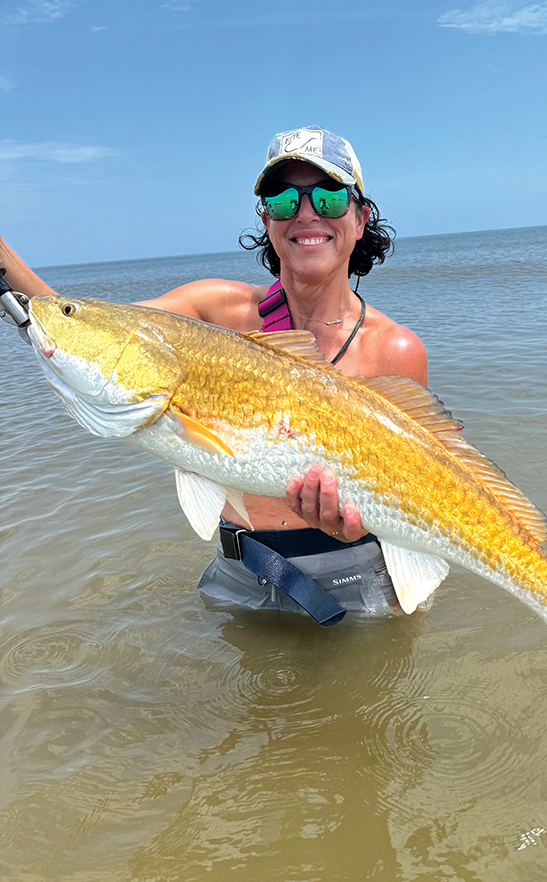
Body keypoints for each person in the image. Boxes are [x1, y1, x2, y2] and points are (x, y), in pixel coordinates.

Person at [0, 125, 428, 619]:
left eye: (329, 197)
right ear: (266, 219)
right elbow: (92, 333)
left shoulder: (396, 349)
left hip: (356, 582)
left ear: (359, 218)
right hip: (239, 574)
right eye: (283, 199)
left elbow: (417, 495)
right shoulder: (212, 310)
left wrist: (355, 524)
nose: (306, 213)